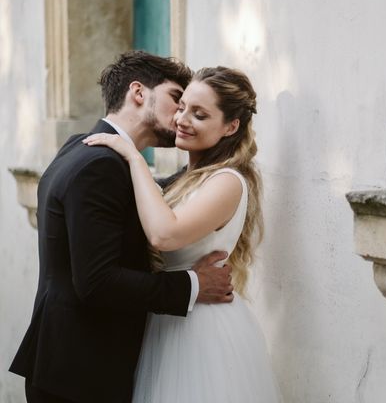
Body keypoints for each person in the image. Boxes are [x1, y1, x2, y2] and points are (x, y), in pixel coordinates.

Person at [10, 51, 235, 403]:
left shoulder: (82, 149)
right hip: (81, 375)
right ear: (139, 93)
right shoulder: (101, 166)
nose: (180, 114)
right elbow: (97, 283)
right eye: (177, 99)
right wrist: (193, 284)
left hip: (68, 366)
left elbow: (156, 194)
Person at [83, 66, 281, 402]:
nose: (182, 119)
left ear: (231, 126)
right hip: (167, 320)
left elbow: (165, 235)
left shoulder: (226, 181)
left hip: (201, 330)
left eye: (200, 115)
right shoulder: (184, 179)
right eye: (182, 106)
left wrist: (133, 155)